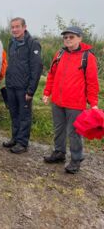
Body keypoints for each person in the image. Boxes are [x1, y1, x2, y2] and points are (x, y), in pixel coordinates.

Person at [42, 26, 99, 174]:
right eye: (65, 37)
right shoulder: (60, 53)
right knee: (59, 129)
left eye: (71, 37)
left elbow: (92, 82)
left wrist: (93, 103)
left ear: (80, 38)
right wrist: (47, 92)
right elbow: (52, 75)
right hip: (57, 101)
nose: (68, 39)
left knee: (74, 132)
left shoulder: (87, 57)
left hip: (75, 103)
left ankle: (76, 159)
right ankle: (59, 153)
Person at [2, 17, 43, 154]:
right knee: (14, 114)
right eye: (12, 27)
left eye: (17, 26)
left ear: (24, 27)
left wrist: (31, 91)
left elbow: (36, 69)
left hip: (24, 88)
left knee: (24, 116)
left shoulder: (33, 44)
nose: (14, 29)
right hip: (11, 85)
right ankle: (15, 138)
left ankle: (22, 143)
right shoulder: (11, 43)